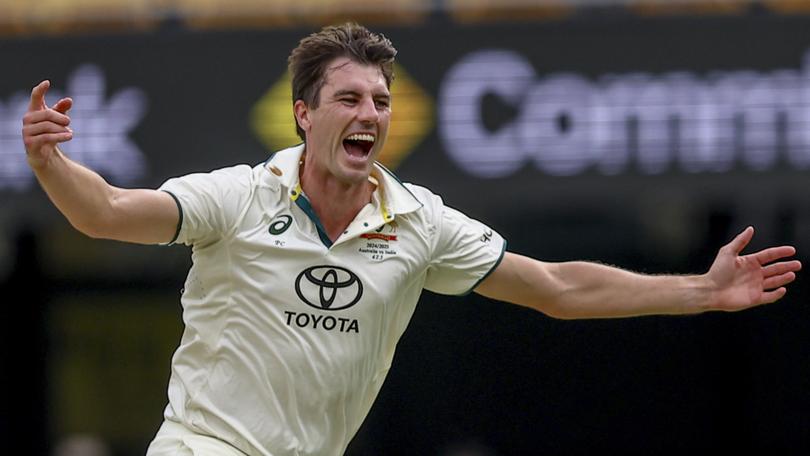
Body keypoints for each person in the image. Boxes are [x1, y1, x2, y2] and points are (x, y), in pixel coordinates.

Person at [22, 23, 801, 456]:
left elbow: (557, 288)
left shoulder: (419, 222)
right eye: (349, 98)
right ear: (303, 114)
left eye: (382, 101)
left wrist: (700, 290)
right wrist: (51, 163)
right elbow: (108, 212)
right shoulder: (239, 197)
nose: (370, 114)